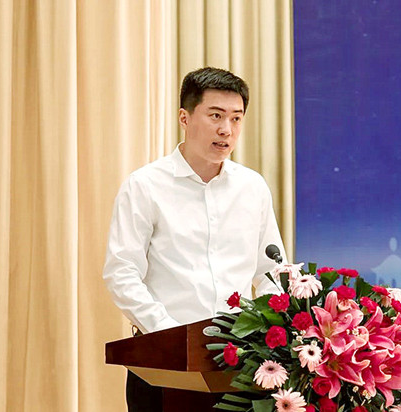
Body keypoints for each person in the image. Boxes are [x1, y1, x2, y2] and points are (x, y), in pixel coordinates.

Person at [102, 67, 287, 411]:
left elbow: (271, 272)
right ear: (184, 118)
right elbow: (121, 272)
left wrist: (266, 332)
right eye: (215, 115)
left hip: (240, 367)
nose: (226, 129)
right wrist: (170, 336)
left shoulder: (252, 188)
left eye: (236, 118)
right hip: (161, 366)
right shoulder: (145, 186)